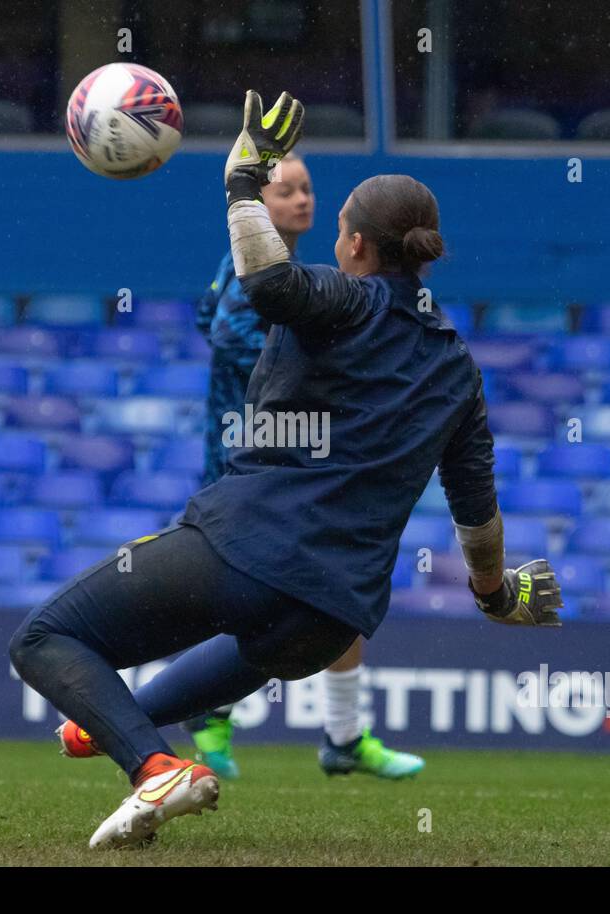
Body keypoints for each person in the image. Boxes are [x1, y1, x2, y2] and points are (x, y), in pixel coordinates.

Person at [9, 90, 563, 850]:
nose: (333, 240)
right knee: (232, 657)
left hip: (248, 548)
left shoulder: (346, 301)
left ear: (360, 248)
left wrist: (243, 182)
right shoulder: (457, 368)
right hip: (331, 615)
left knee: (43, 641)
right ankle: (110, 728)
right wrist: (497, 598)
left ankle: (154, 768)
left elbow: (265, 283)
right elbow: (477, 512)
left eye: (338, 230)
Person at [185, 150, 424, 781]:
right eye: (286, 190)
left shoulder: (292, 275)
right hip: (252, 465)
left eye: (307, 189)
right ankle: (208, 710)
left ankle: (339, 735)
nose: (302, 199)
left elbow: (205, 318)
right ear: (256, 205)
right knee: (287, 593)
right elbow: (226, 335)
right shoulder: (259, 274)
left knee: (337, 581)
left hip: (298, 459)